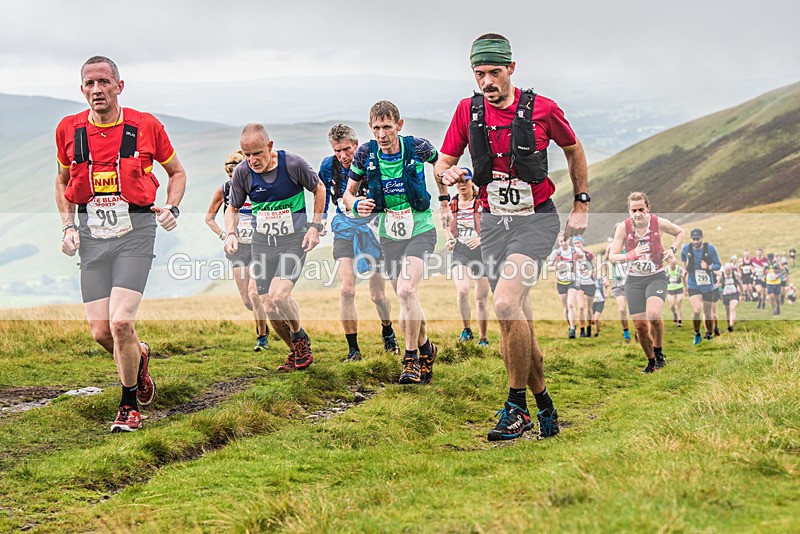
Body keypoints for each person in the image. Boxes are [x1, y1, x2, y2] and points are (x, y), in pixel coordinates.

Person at [435, 33, 589, 441]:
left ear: (512, 69)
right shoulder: (467, 112)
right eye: (480, 73)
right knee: (515, 320)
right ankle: (546, 408)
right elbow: (445, 162)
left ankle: (515, 407)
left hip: (535, 220)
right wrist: (447, 174)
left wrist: (582, 203)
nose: (487, 81)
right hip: (492, 223)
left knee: (503, 302)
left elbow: (574, 150)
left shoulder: (543, 108)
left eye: (494, 72)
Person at [56, 56, 187, 432]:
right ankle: (139, 357)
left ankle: (128, 405)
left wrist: (173, 207)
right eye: (89, 84)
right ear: (82, 89)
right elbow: (61, 181)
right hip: (92, 236)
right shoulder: (68, 129)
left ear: (119, 86)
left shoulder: (146, 126)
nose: (97, 90)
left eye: (104, 82)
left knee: (120, 322)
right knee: (101, 332)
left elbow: (176, 172)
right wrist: (67, 226)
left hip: (137, 231)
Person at [343, 101, 439, 385]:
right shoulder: (365, 153)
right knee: (406, 296)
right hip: (389, 233)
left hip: (421, 228)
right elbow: (349, 194)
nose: (382, 134)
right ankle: (426, 348)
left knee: (407, 290)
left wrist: (445, 196)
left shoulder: (418, 147)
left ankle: (410, 359)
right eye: (376, 128)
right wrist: (356, 203)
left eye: (387, 127)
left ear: (399, 125)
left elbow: (443, 163)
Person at [224, 124, 326, 372]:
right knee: (267, 304)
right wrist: (230, 234)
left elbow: (319, 188)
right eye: (247, 155)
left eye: (257, 153)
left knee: (280, 295)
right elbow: (233, 208)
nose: (252, 160)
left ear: (270, 147)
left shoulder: (293, 165)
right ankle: (295, 351)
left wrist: (314, 226)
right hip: (262, 242)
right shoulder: (242, 172)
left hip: (292, 240)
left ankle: (300, 338)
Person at [318, 124, 398, 361]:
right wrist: (321, 219)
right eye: (337, 150)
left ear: (356, 145)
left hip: (373, 230)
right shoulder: (328, 166)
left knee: (377, 295)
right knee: (345, 289)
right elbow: (321, 191)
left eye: (346, 149)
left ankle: (387, 330)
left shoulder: (370, 161)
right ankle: (353, 349)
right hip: (344, 228)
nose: (343, 156)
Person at [609, 192, 684, 373]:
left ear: (648, 209)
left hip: (655, 277)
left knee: (654, 315)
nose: (637, 214)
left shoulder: (659, 223)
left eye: (641, 209)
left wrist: (672, 250)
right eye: (633, 210)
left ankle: (658, 352)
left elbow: (680, 232)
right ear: (629, 211)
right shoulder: (623, 228)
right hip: (634, 280)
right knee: (641, 327)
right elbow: (612, 256)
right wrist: (631, 255)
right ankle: (651, 362)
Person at [205, 151, 269, 351]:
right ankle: (264, 322)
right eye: (231, 176)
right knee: (247, 300)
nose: (235, 180)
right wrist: (224, 235)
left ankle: (262, 338)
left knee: (254, 293)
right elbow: (209, 218)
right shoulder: (224, 190)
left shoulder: (258, 187)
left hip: (258, 245)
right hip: (237, 248)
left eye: (238, 175)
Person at [445, 168, 490, 346]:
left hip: (482, 251)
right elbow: (446, 224)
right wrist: (449, 239)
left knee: (481, 298)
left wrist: (480, 239)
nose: (462, 184)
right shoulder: (451, 204)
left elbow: (493, 226)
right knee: (462, 290)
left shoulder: (483, 203)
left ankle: (483, 338)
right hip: (461, 249)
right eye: (459, 181)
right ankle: (466, 330)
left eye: (465, 181)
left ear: (472, 182)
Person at [681, 228, 721, 345]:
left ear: (702, 238)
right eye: (693, 239)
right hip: (693, 284)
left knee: (708, 312)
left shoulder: (710, 248)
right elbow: (682, 256)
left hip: (707, 285)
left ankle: (709, 333)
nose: (695, 242)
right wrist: (684, 268)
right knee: (696, 310)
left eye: (697, 239)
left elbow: (718, 265)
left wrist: (708, 267)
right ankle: (697, 333)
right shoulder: (686, 248)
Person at [605, 228, 632, 343]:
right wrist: (605, 276)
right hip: (618, 282)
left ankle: (639, 331)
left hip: (632, 282)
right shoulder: (611, 247)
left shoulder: (632, 245)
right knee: (621, 309)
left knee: (635, 311)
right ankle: (626, 333)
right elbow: (604, 262)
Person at [549, 235, 579, 338]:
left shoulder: (575, 250)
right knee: (566, 308)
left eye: (565, 240)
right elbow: (549, 267)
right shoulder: (556, 253)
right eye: (561, 241)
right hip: (561, 283)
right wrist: (557, 267)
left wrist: (580, 266)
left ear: (569, 240)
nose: (563, 243)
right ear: (559, 241)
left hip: (573, 281)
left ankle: (572, 329)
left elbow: (583, 257)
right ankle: (570, 325)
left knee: (570, 304)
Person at [572, 236, 596, 337]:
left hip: (590, 283)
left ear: (582, 243)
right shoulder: (572, 255)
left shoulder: (589, 254)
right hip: (578, 283)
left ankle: (589, 329)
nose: (577, 245)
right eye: (575, 243)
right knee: (581, 307)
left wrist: (589, 272)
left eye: (579, 243)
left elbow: (596, 267)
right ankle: (582, 330)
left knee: (589, 309)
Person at [718, 263, 742, 331]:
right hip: (725, 295)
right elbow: (719, 285)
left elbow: (740, 284)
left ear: (731, 269)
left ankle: (731, 325)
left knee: (732, 308)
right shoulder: (721, 276)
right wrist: (719, 294)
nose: (728, 272)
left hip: (734, 294)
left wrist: (742, 294)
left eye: (729, 270)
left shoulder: (735, 275)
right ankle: (728, 323)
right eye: (727, 270)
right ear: (724, 270)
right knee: (727, 310)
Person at [665, 258, 684, 326]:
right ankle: (674, 314)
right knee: (672, 305)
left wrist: (686, 288)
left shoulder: (679, 269)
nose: (672, 265)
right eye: (671, 264)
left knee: (679, 303)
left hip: (679, 288)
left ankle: (679, 320)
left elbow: (684, 277)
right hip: (670, 289)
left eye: (674, 264)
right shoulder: (666, 270)